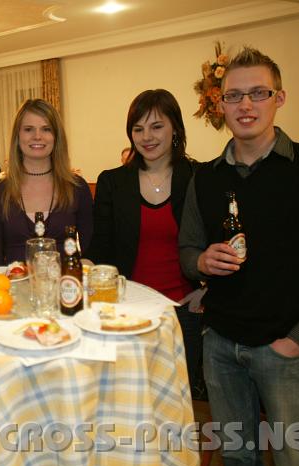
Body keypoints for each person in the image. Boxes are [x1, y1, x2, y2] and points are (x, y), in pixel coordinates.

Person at [178, 47, 299, 466]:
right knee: (237, 460)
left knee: (296, 464)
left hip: (286, 350)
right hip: (220, 348)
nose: (245, 105)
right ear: (220, 103)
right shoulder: (206, 177)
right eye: (234, 95)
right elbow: (187, 252)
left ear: (279, 99)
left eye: (258, 93)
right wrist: (201, 261)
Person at [88, 89, 203, 395]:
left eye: (156, 126)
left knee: (179, 401)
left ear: (175, 128)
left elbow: (218, 243)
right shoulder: (113, 181)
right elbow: (100, 248)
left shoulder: (198, 177)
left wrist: (206, 291)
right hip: (128, 312)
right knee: (130, 400)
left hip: (182, 312)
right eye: (138, 129)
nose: (146, 137)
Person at [0, 98, 93, 266]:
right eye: (28, 129)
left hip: (66, 290)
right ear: (17, 137)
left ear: (56, 136)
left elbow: (90, 251)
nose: (37, 136)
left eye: (46, 129)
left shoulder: (77, 188)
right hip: (12, 290)